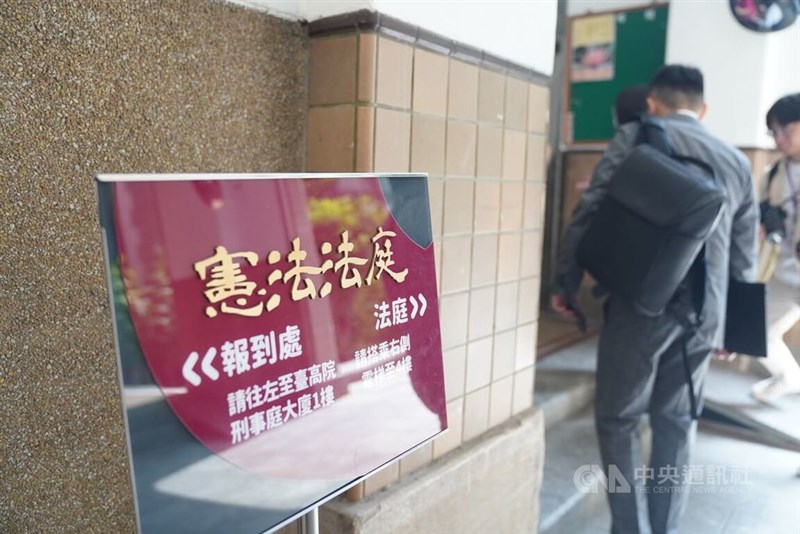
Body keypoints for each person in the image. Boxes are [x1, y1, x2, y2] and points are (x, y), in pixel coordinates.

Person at [551, 65, 758, 534]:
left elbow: (589, 209)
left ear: (652, 104)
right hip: (707, 314)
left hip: (642, 307)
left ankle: (628, 528)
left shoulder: (635, 138)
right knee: (677, 422)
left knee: (618, 418)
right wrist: (735, 328)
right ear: (703, 109)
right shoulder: (737, 160)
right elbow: (744, 256)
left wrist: (566, 281)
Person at [750, 93, 800, 401]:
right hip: (780, 270)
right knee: (756, 333)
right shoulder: (772, 174)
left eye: (786, 129)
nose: (779, 139)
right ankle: (788, 378)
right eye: (773, 132)